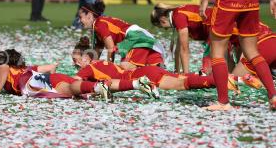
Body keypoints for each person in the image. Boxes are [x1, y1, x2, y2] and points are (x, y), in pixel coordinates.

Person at [71, 36, 240, 94]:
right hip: (147, 69)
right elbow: (128, 67)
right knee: (185, 77)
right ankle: (236, 79)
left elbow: (74, 83)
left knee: (182, 84)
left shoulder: (89, 68)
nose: (75, 63)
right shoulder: (104, 62)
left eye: (77, 59)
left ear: (87, 57)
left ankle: (221, 82)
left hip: (142, 77)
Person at [0, 49, 113, 100]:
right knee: (80, 89)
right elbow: (51, 66)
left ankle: (97, 87)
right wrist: (50, 77)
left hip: (34, 82)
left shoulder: (3, 67)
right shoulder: (25, 68)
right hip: (47, 78)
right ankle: (104, 87)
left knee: (71, 89)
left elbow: (3, 67)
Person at [78, 1, 165, 70]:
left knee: (124, 68)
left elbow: (111, 49)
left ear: (89, 15)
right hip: (141, 38)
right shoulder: (99, 25)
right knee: (155, 72)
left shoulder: (99, 24)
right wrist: (88, 63)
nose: (79, 21)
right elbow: (96, 52)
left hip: (135, 39)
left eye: (80, 17)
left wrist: (109, 69)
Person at [151, 3, 211, 74]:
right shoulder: (176, 14)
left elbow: (184, 49)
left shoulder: (178, 17)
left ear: (162, 20)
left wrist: (186, 75)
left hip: (217, 26)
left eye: (161, 27)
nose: (165, 29)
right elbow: (178, 50)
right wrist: (177, 72)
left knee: (207, 70)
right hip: (216, 27)